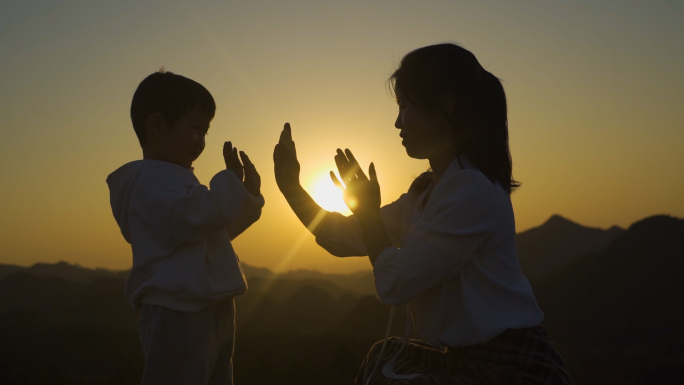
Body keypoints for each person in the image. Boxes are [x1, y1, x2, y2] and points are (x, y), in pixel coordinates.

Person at [273, 44, 573, 384]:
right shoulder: (428, 192)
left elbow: (397, 284)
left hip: (507, 365)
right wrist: (292, 190)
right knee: (383, 357)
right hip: (464, 359)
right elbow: (345, 237)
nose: (398, 122)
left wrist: (369, 214)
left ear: (445, 106)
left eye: (404, 105)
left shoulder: (471, 191)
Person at [107, 70, 264, 385]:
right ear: (156, 125)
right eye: (195, 128)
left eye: (206, 132)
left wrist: (248, 197)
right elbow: (197, 216)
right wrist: (228, 182)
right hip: (176, 310)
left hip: (211, 304)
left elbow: (212, 230)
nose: (201, 141)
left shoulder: (173, 181)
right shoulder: (147, 180)